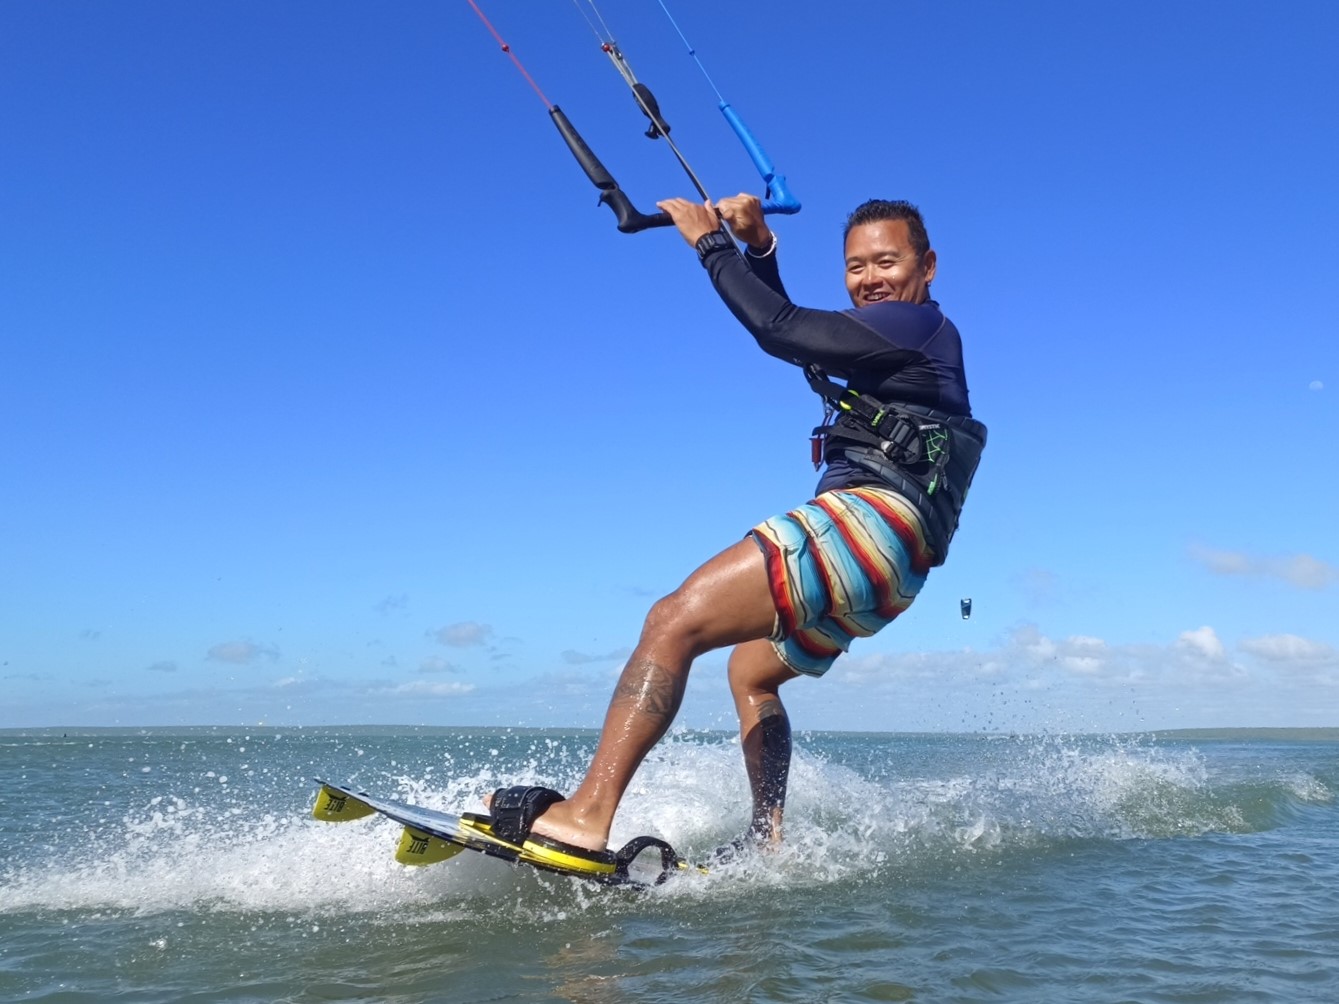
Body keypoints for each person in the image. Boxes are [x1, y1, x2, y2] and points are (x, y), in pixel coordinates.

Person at [485, 194, 986, 866]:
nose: (869, 278)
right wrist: (759, 251)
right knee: (751, 671)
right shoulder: (895, 341)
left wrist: (707, 244)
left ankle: (585, 815)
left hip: (872, 523)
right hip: (895, 571)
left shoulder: (916, 327)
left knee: (672, 622)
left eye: (886, 262)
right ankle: (766, 835)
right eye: (854, 266)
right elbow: (800, 343)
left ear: (926, 266)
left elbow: (777, 329)